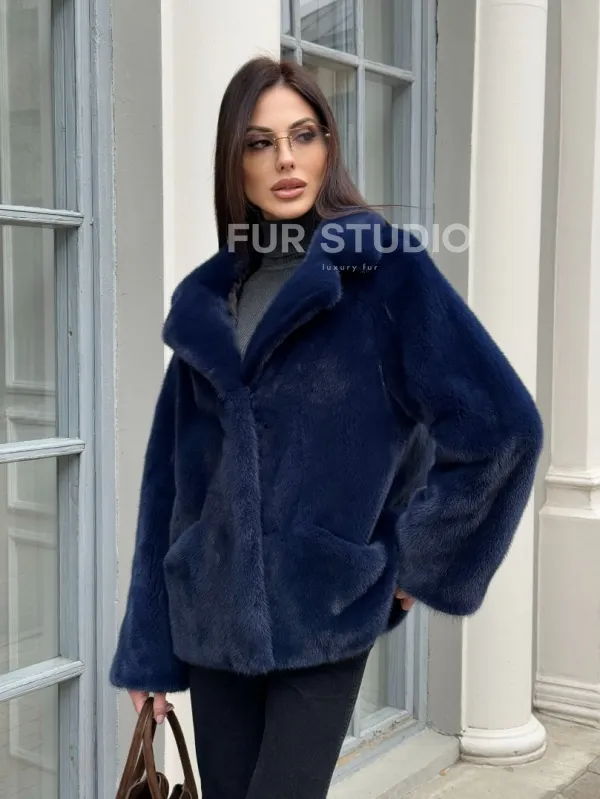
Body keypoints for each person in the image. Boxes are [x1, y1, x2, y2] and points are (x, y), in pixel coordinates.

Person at [109, 56, 543, 799]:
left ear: (327, 146)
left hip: (325, 611)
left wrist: (415, 559)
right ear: (235, 162)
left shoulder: (383, 272)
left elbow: (503, 428)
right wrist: (147, 651)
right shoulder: (210, 301)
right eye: (260, 142)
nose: (285, 159)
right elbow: (168, 487)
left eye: (303, 135)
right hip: (209, 618)